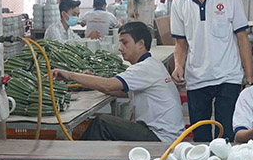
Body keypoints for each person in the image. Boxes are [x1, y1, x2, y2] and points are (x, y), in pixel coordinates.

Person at [169, 0, 253, 142]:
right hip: (197, 79)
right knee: (201, 138)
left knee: (227, 136)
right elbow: (180, 43)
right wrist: (178, 65)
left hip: (229, 78)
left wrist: (249, 80)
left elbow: (242, 39)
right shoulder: (179, 2)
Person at [52, 22, 183, 142]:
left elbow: (108, 85)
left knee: (102, 123)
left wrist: (69, 75)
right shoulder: (153, 64)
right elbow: (119, 91)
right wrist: (89, 80)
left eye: (124, 43)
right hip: (168, 134)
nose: (120, 48)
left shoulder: (144, 68)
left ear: (141, 44)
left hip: (161, 138)